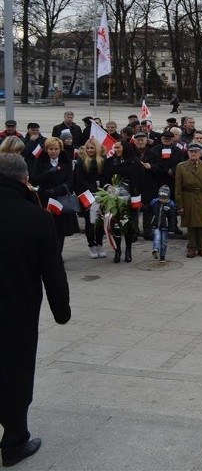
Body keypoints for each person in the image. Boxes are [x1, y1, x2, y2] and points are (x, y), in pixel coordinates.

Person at [0, 154, 70, 468]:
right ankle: (14, 441)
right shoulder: (36, 217)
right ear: (24, 179)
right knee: (15, 372)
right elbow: (52, 270)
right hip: (16, 310)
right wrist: (61, 310)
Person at [30, 137, 77, 257]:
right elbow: (35, 179)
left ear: (60, 149)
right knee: (47, 228)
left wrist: (56, 190)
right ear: (46, 150)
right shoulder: (40, 160)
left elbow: (70, 182)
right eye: (50, 149)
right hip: (45, 199)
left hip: (60, 198)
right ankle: (48, 253)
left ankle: (58, 254)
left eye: (56, 149)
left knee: (60, 229)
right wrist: (49, 172)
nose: (53, 152)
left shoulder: (66, 160)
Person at [174, 143, 202, 258]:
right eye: (191, 151)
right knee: (190, 224)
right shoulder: (181, 167)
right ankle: (191, 247)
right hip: (188, 197)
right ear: (188, 153)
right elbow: (178, 188)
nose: (193, 153)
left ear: (200, 153)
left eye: (196, 152)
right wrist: (180, 205)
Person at [74, 138, 108, 258]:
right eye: (88, 148)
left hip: (101, 194)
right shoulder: (81, 161)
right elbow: (79, 180)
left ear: (97, 149)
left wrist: (103, 190)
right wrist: (92, 191)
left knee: (100, 221)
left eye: (92, 148)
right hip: (87, 195)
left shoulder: (103, 160)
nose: (89, 150)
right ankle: (91, 245)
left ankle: (99, 244)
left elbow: (105, 177)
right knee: (90, 221)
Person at [150, 185, 177, 262]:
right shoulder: (155, 202)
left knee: (164, 242)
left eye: (164, 198)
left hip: (166, 226)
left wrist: (172, 229)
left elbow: (172, 218)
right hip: (156, 225)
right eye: (161, 198)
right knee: (157, 237)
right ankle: (156, 249)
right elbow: (148, 208)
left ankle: (162, 256)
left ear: (168, 197)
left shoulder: (171, 205)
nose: (162, 200)